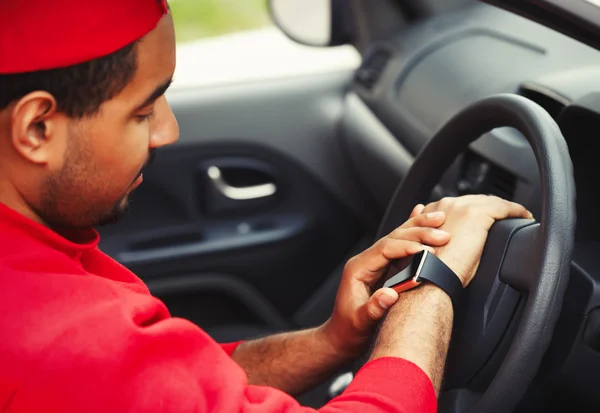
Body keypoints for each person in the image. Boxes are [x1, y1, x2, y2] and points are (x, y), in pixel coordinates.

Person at [0, 1, 533, 412]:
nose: (169, 130)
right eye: (142, 112)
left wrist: (332, 341)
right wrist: (431, 286)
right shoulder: (60, 335)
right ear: (37, 128)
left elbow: (178, 387)